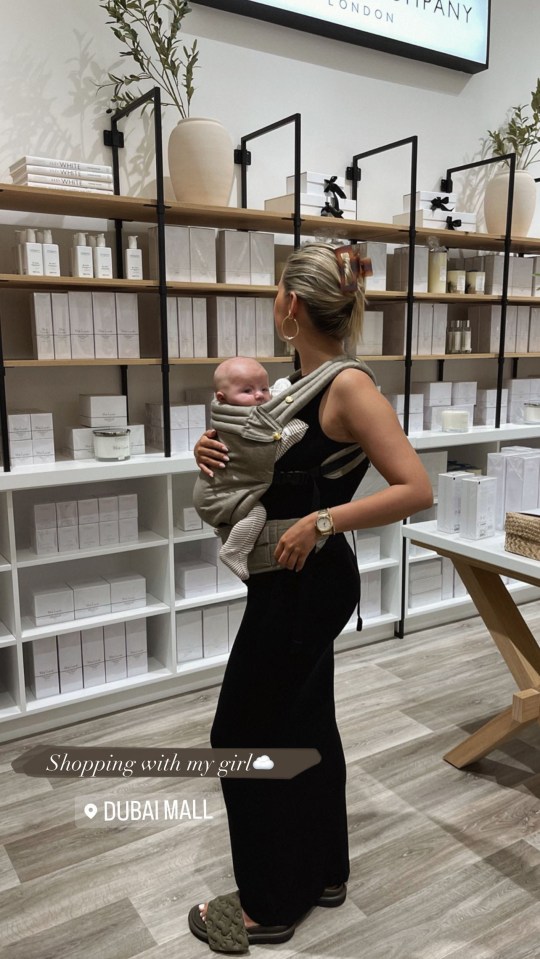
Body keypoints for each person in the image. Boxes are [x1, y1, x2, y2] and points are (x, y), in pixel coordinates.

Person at [188, 243, 433, 953]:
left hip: (307, 581)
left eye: (275, 292)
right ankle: (324, 871)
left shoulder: (347, 385)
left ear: (291, 305)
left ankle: (268, 905)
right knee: (306, 725)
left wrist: (325, 519)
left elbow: (415, 487)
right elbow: (273, 477)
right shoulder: (296, 382)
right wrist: (212, 454)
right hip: (294, 581)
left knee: (237, 737)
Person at [195, 356, 304, 581]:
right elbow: (264, 453)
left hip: (219, 491)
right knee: (257, 513)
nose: (259, 395)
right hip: (220, 495)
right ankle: (234, 550)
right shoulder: (241, 426)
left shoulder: (233, 414)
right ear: (222, 398)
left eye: (264, 388)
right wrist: (293, 429)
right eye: (247, 390)